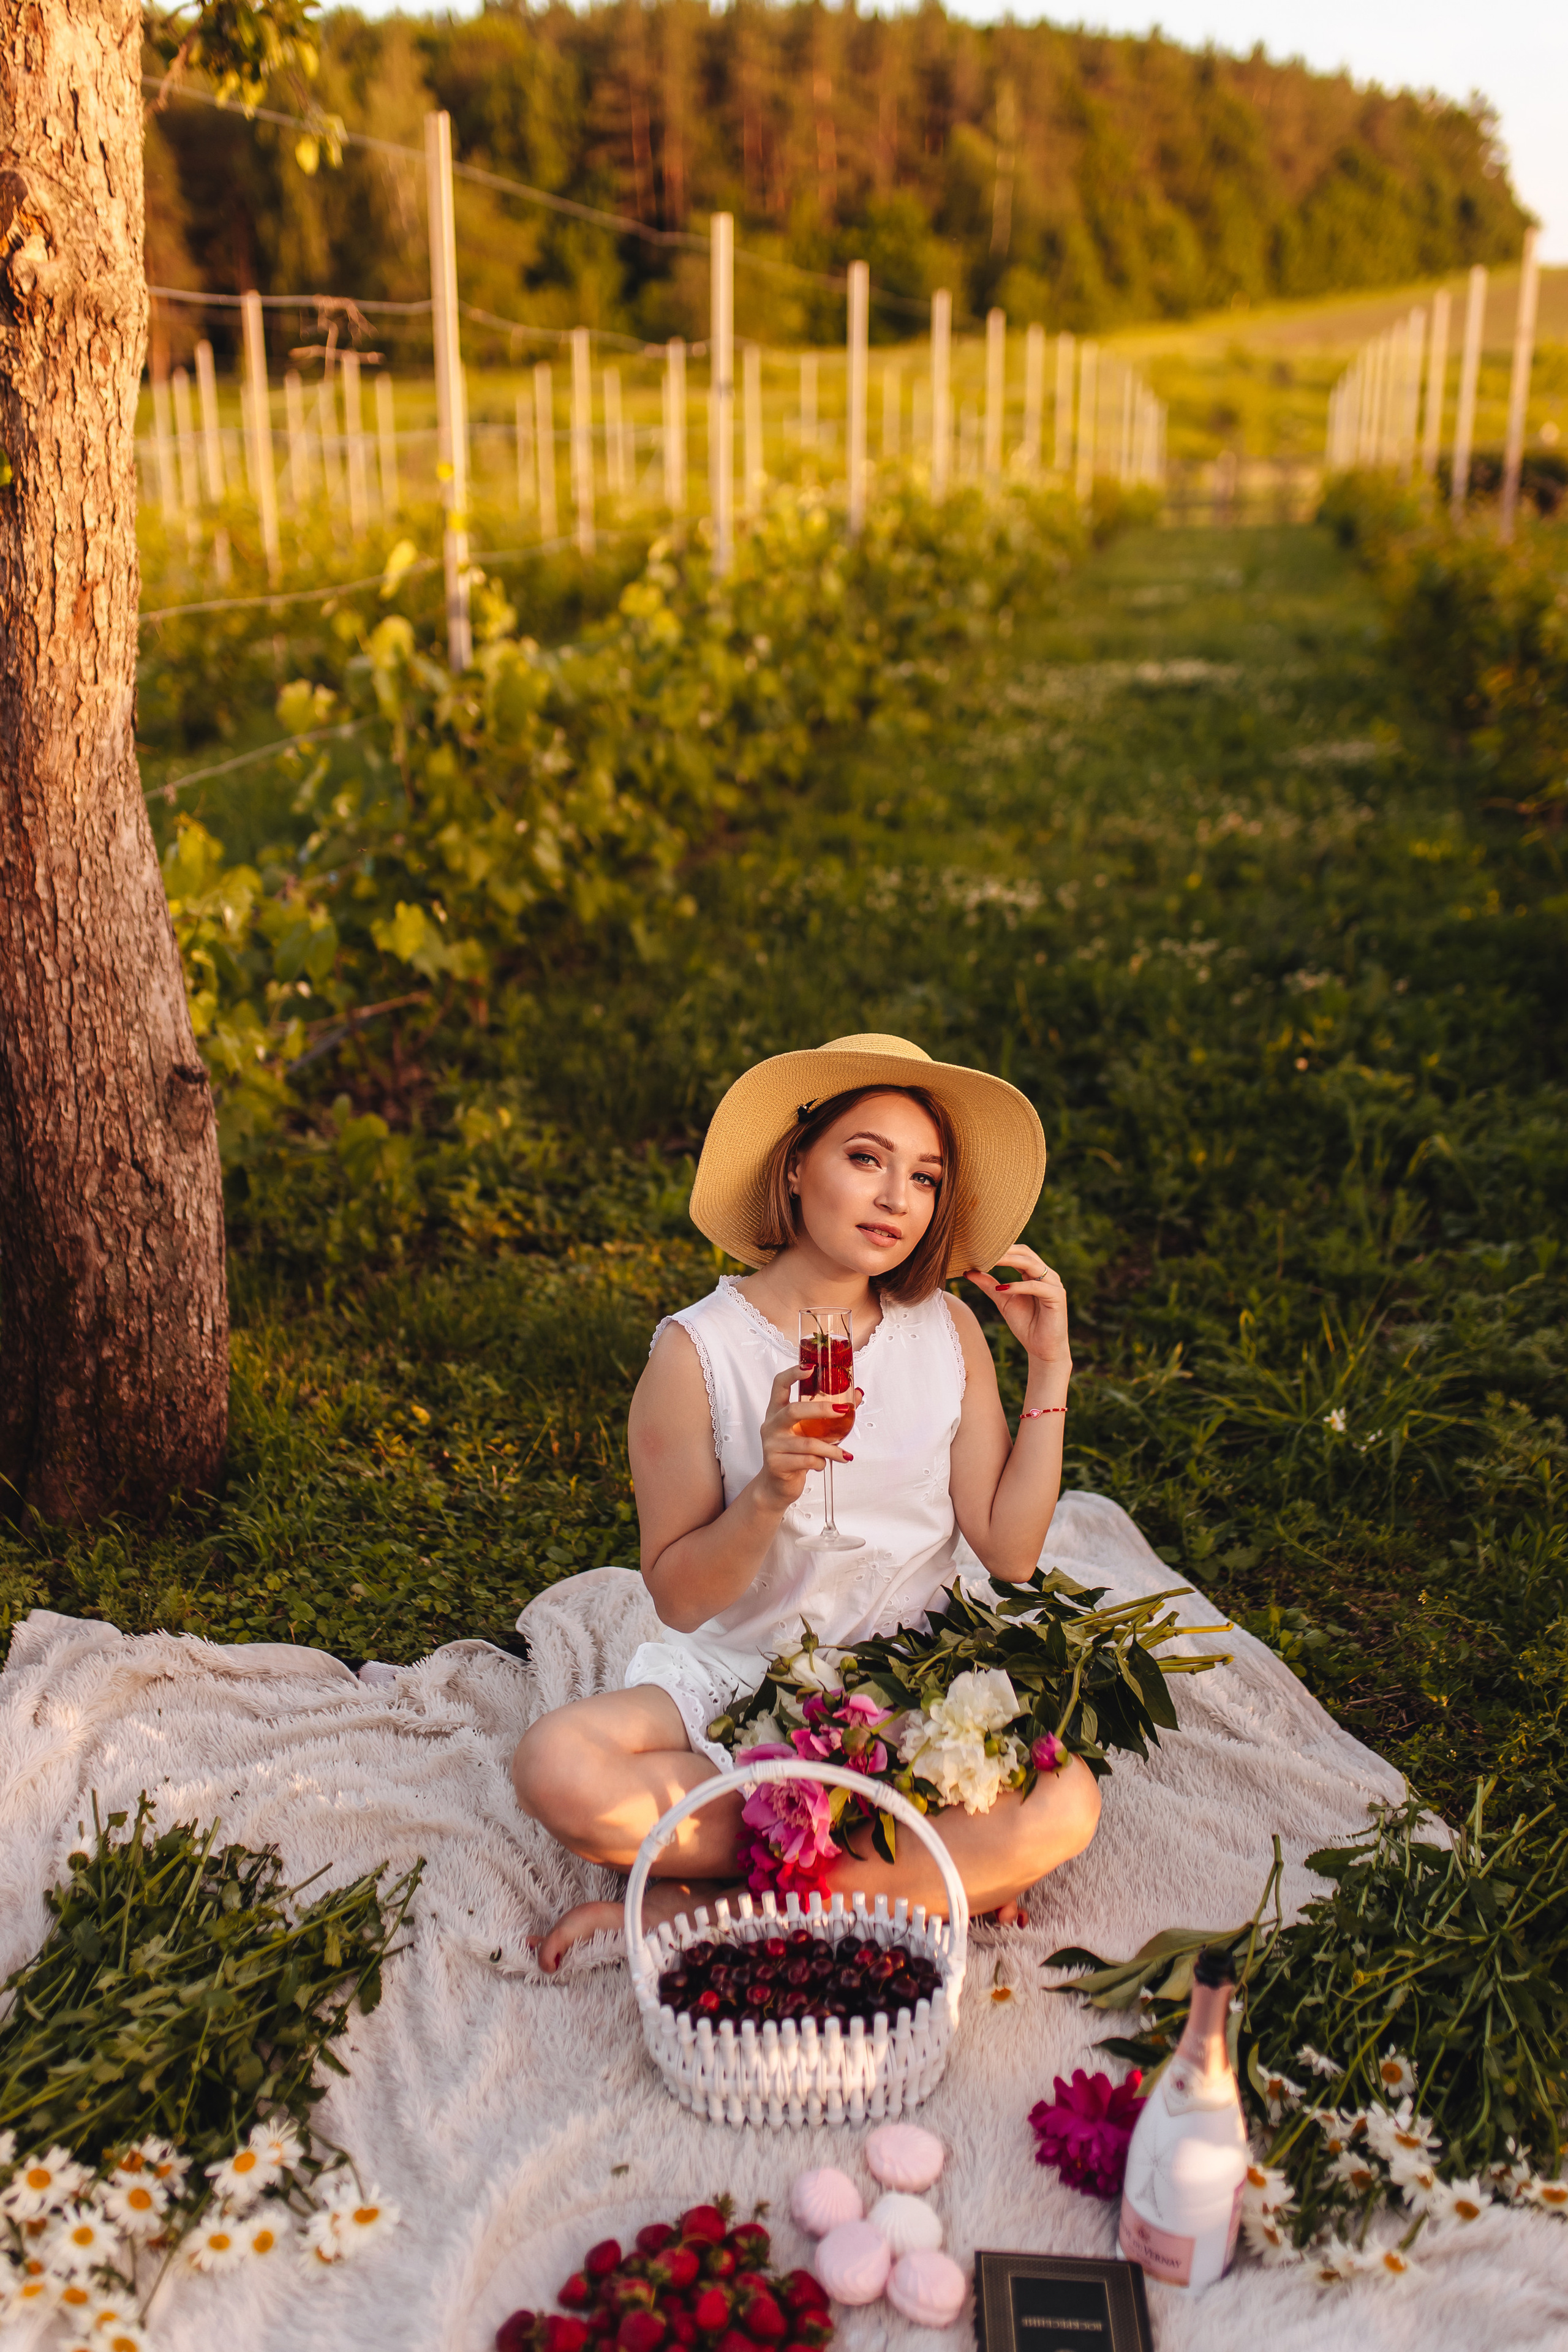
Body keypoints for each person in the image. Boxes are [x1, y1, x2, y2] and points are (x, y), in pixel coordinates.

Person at [514, 1033, 1099, 1968]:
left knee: (1067, 1802)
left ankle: (703, 1913)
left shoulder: (946, 1328)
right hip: (739, 1672)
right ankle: (904, 1877)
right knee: (557, 1767)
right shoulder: (696, 1353)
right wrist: (771, 1489)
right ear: (794, 1169)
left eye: (925, 1177)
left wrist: (1050, 1366)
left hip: (905, 1685)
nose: (896, 1198)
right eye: (865, 1158)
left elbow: (1010, 1553)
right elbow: (680, 1598)